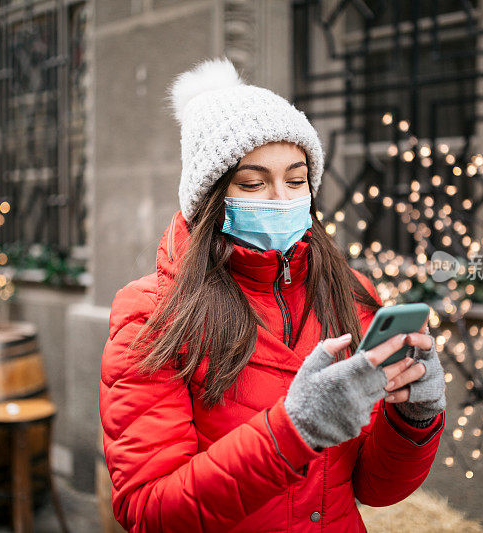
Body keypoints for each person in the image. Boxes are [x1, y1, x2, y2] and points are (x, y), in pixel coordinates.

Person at [98, 57, 446, 533]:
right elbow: (148, 511)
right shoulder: (150, 314)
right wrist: (292, 431)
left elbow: (372, 488)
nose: (282, 199)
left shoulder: (350, 293)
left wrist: (412, 420)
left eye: (297, 180)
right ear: (210, 197)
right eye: (254, 183)